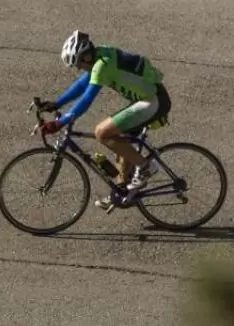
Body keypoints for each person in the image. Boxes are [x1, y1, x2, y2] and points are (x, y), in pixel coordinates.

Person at [37, 30, 172, 206]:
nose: (79, 68)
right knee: (120, 142)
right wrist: (57, 103)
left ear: (85, 57)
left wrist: (60, 123)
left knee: (102, 132)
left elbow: (86, 99)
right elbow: (82, 84)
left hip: (152, 102)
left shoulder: (103, 65)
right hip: (145, 98)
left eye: (78, 64)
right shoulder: (100, 54)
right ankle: (122, 193)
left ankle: (146, 167)